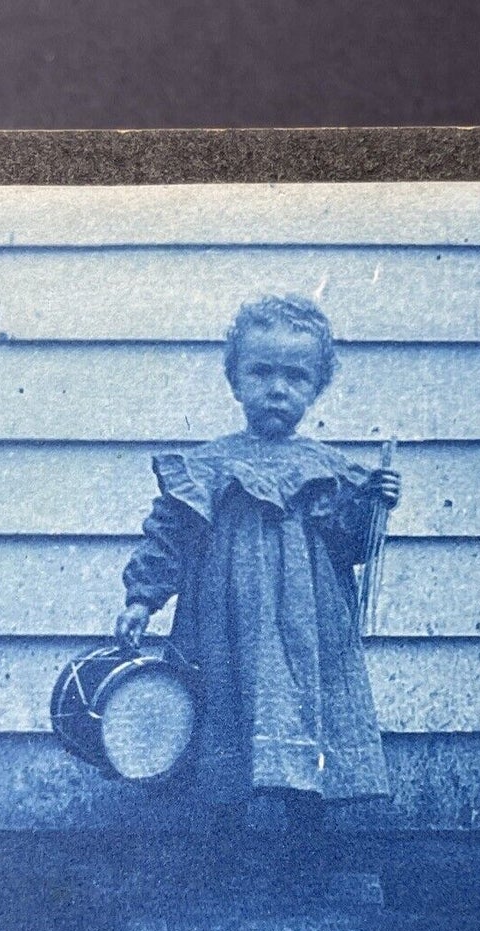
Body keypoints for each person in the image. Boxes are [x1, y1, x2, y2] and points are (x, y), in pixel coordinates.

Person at [115, 294, 400, 858]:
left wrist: (373, 506)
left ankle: (304, 853)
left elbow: (352, 545)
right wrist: (142, 599)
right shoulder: (207, 466)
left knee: (304, 710)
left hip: (307, 626)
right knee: (223, 708)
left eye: (295, 377)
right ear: (235, 381)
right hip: (225, 619)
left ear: (316, 388)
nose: (277, 388)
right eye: (261, 372)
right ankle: (218, 855)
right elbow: (169, 534)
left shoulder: (331, 469)